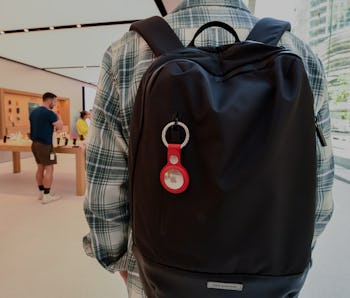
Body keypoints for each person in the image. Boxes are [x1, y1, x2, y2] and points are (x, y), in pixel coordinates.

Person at [83, 0, 334, 297]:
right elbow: (320, 198)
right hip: (269, 282)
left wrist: (124, 266)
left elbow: (104, 193)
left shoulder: (125, 53)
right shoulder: (298, 52)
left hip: (160, 278)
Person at [29, 92, 63, 204]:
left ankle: (41, 193)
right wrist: (59, 116)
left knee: (40, 167)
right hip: (45, 145)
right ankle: (47, 195)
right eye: (55, 101)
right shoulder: (50, 113)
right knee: (49, 168)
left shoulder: (33, 112)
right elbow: (59, 127)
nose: (55, 103)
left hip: (34, 144)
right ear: (49, 100)